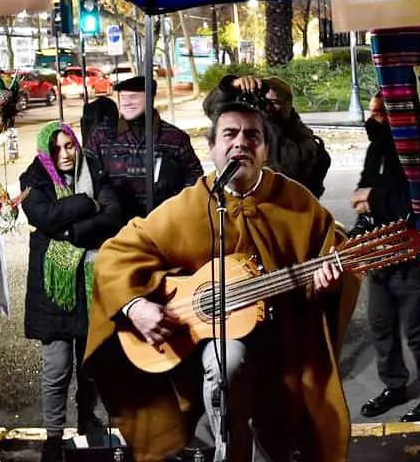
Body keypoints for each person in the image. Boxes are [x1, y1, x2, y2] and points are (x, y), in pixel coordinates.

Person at [83, 100, 355, 462]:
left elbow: (332, 249)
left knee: (288, 437)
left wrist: (325, 285)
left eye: (252, 136)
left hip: (284, 342)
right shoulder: (191, 204)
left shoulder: (297, 202)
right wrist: (137, 306)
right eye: (230, 134)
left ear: (265, 150)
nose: (241, 142)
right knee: (228, 363)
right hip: (209, 342)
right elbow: (117, 252)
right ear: (211, 148)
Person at [21, 122, 124, 462]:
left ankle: (87, 420)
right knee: (57, 366)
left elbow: (114, 215)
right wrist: (86, 202)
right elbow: (45, 216)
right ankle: (52, 436)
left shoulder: (93, 167)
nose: (65, 155)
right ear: (46, 154)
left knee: (90, 362)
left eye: (69, 146)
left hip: (90, 281)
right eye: (57, 149)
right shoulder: (33, 178)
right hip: (53, 289)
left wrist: (71, 231)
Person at [351, 94, 420, 423]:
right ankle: (394, 385)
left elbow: (416, 202)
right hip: (380, 255)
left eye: (382, 112)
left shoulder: (417, 152)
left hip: (413, 256)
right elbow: (362, 192)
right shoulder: (376, 149)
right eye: (373, 110)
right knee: (381, 326)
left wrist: (373, 199)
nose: (373, 117)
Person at [85, 76, 203, 223]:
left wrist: (177, 201)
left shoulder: (174, 137)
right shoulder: (102, 135)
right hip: (115, 225)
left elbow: (195, 175)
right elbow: (86, 176)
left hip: (162, 222)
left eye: (133, 97)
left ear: (151, 98)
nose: (127, 102)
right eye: (122, 97)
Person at [203, 74, 330, 198]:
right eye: (264, 101)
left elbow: (288, 173)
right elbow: (211, 108)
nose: (268, 107)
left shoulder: (300, 140)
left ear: (288, 105)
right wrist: (231, 86)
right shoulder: (252, 127)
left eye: (274, 102)